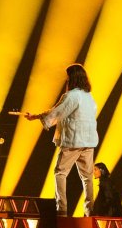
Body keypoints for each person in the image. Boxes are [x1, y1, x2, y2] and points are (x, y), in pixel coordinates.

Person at [24, 63, 98, 216]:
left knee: (60, 173)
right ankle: (90, 210)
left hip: (74, 141)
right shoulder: (88, 97)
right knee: (87, 177)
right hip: (88, 141)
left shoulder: (71, 96)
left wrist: (38, 118)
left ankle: (61, 209)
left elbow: (56, 113)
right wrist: (36, 116)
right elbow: (59, 111)